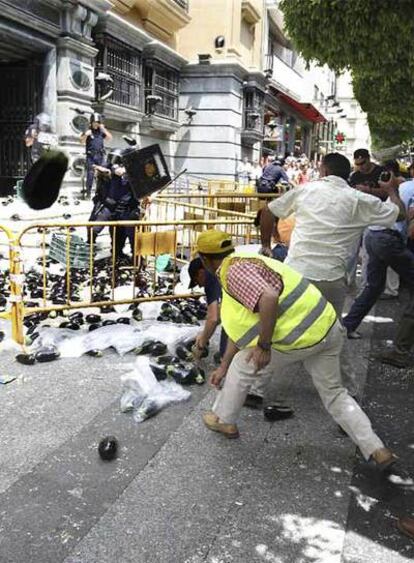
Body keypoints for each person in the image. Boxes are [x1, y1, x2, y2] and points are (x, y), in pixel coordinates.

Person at [197, 230, 397, 471]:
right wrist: (222, 366)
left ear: (205, 260)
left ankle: (224, 420)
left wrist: (264, 346)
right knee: (335, 393)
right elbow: (242, 328)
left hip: (300, 337)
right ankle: (376, 448)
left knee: (243, 363)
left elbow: (269, 297)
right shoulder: (251, 261)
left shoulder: (232, 271)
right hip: (327, 329)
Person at [260, 152, 403, 395]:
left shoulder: (307, 190)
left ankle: (256, 386)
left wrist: (265, 245)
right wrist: (390, 191)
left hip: (297, 274)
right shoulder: (357, 198)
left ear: (324, 171)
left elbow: (268, 211)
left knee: (280, 325)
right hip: (331, 277)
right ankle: (348, 393)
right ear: (348, 174)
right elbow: (397, 213)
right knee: (334, 334)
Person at [343, 173, 414, 339]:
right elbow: (411, 228)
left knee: (374, 287)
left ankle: (348, 325)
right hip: (388, 238)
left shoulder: (405, 185)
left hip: (374, 234)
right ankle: (402, 345)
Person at [88, 149, 140, 260]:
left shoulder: (132, 171)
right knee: (94, 229)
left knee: (129, 235)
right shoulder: (110, 167)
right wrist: (109, 170)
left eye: (116, 158)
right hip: (109, 206)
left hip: (127, 209)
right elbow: (102, 168)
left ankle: (134, 258)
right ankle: (88, 251)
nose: (113, 161)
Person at [80, 113, 112, 199]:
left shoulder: (101, 131)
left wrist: (103, 128)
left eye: (97, 122)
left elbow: (109, 138)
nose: (96, 124)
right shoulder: (88, 130)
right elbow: (81, 141)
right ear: (91, 122)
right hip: (91, 156)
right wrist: (86, 135)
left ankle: (101, 193)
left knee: (103, 174)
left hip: (100, 156)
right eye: (94, 122)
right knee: (90, 175)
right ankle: (88, 193)